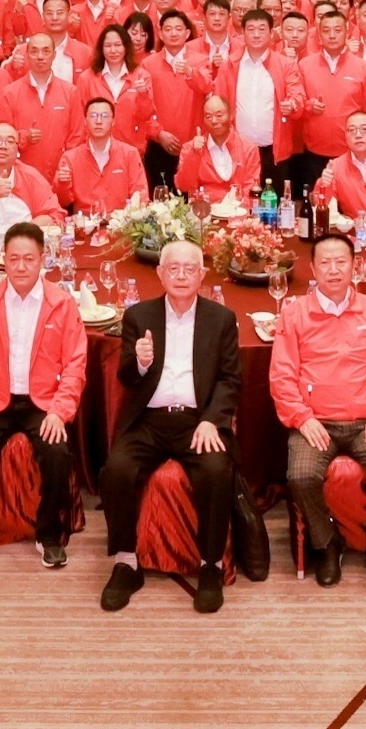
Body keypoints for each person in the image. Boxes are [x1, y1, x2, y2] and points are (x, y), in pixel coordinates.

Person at [98, 236, 241, 611]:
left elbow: (230, 379)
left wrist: (212, 421)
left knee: (216, 471)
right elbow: (127, 377)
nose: (181, 275)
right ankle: (126, 562)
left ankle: (211, 565)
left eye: (189, 268)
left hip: (197, 419)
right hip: (149, 419)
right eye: (173, 268)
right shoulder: (139, 316)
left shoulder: (221, 319)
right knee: (117, 469)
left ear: (202, 275)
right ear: (160, 273)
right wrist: (141, 362)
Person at [271, 227, 366, 588]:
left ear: (354, 266)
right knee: (300, 476)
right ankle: (326, 543)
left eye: (341, 262)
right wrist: (302, 418)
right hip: (316, 421)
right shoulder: (294, 314)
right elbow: (281, 376)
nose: (333, 270)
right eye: (325, 263)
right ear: (312, 269)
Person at [0, 219, 84, 570]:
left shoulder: (62, 303)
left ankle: (50, 534)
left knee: (57, 453)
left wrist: (59, 411)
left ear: (43, 259)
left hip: (44, 401)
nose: (21, 266)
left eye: (29, 259)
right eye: (14, 259)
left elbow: (75, 364)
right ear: (4, 260)